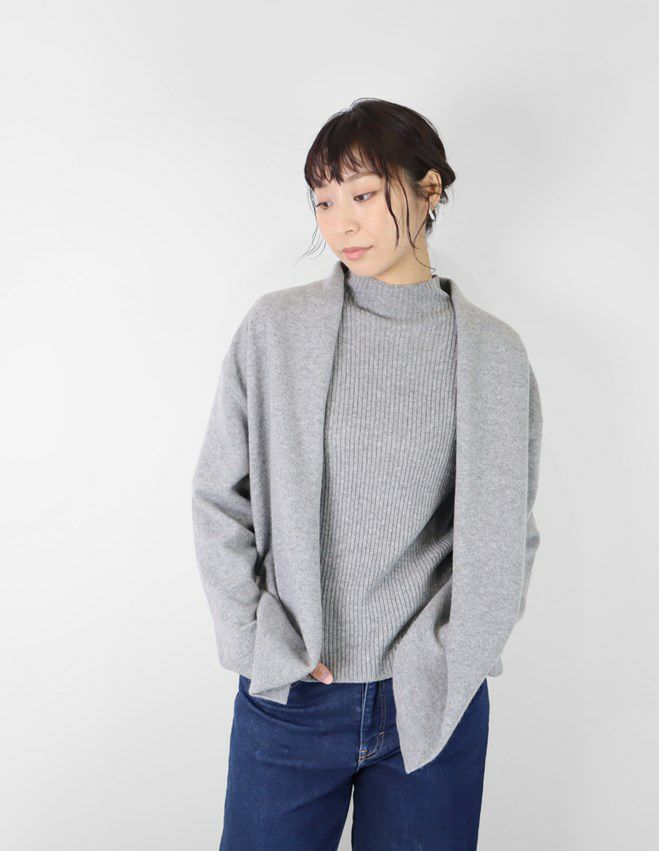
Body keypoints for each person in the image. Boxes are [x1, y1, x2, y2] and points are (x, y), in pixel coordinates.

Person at [191, 97, 543, 850]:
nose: (340, 223)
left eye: (363, 194)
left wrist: (450, 656)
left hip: (431, 702)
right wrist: (255, 641)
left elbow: (506, 534)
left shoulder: (492, 353)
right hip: (290, 694)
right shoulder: (277, 330)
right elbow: (220, 497)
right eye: (323, 200)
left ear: (428, 189)